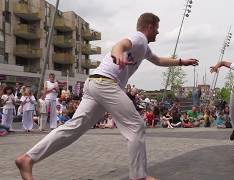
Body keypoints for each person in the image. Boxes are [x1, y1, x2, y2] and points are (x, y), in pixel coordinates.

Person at [15, 12, 198, 180]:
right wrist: (118, 54)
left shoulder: (145, 48)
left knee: (74, 127)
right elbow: (120, 45)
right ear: (149, 27)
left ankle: (28, 159)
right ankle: (139, 176)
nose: (158, 32)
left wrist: (181, 62)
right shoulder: (139, 38)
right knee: (135, 125)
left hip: (95, 83)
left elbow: (158, 60)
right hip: (105, 83)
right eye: (157, 28)